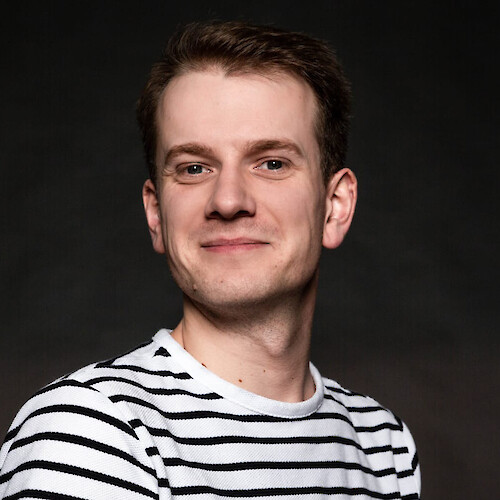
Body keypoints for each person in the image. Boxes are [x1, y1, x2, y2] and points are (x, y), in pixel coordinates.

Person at [0, 21, 421, 499]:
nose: (228, 200)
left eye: (272, 163)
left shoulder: (383, 447)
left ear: (335, 207)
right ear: (156, 214)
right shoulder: (90, 432)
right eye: (194, 168)